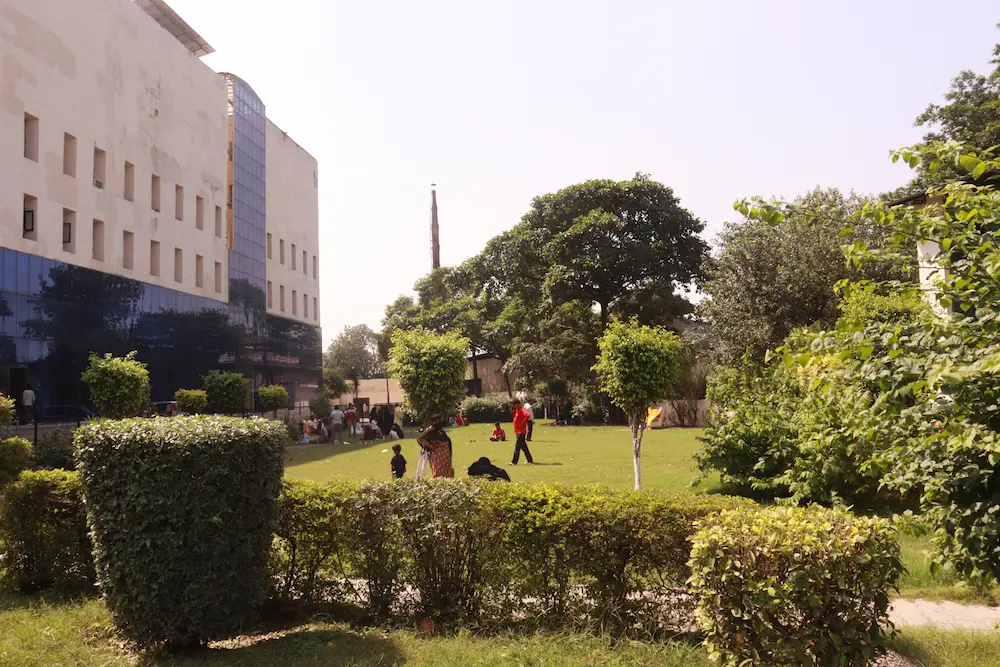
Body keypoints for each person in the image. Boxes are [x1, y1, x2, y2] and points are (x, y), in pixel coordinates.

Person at [508, 399, 533, 465]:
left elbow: (527, 415)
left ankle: (514, 462)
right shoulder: (517, 410)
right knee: (524, 447)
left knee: (517, 447)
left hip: (521, 432)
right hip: (518, 431)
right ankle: (530, 460)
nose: (513, 406)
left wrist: (523, 423)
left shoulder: (522, 409)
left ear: (518, 404)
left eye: (514, 405)